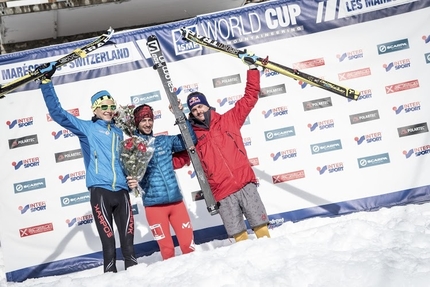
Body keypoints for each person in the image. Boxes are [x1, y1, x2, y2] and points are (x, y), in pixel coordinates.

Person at [38, 63, 138, 273]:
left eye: (112, 107)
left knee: (129, 246)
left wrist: (130, 177)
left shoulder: (119, 133)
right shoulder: (87, 129)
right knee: (109, 245)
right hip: (100, 191)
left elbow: (123, 160)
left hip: (121, 192)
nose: (109, 110)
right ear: (95, 109)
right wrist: (46, 82)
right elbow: (57, 113)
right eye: (104, 107)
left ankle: (137, 279)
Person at [185, 52, 271, 242]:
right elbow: (180, 158)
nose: (198, 111)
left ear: (207, 106)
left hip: (245, 184)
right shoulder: (191, 136)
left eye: (200, 106)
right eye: (194, 109)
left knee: (262, 231)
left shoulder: (229, 120)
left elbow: (250, 97)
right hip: (223, 193)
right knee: (239, 239)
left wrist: (253, 69)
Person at [128, 103, 196, 260]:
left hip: (176, 203)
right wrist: (129, 183)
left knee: (189, 247)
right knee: (167, 251)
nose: (147, 123)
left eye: (149, 119)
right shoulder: (132, 148)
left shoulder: (164, 141)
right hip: (154, 208)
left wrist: (180, 115)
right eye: (143, 120)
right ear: (137, 123)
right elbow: (128, 175)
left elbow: (189, 139)